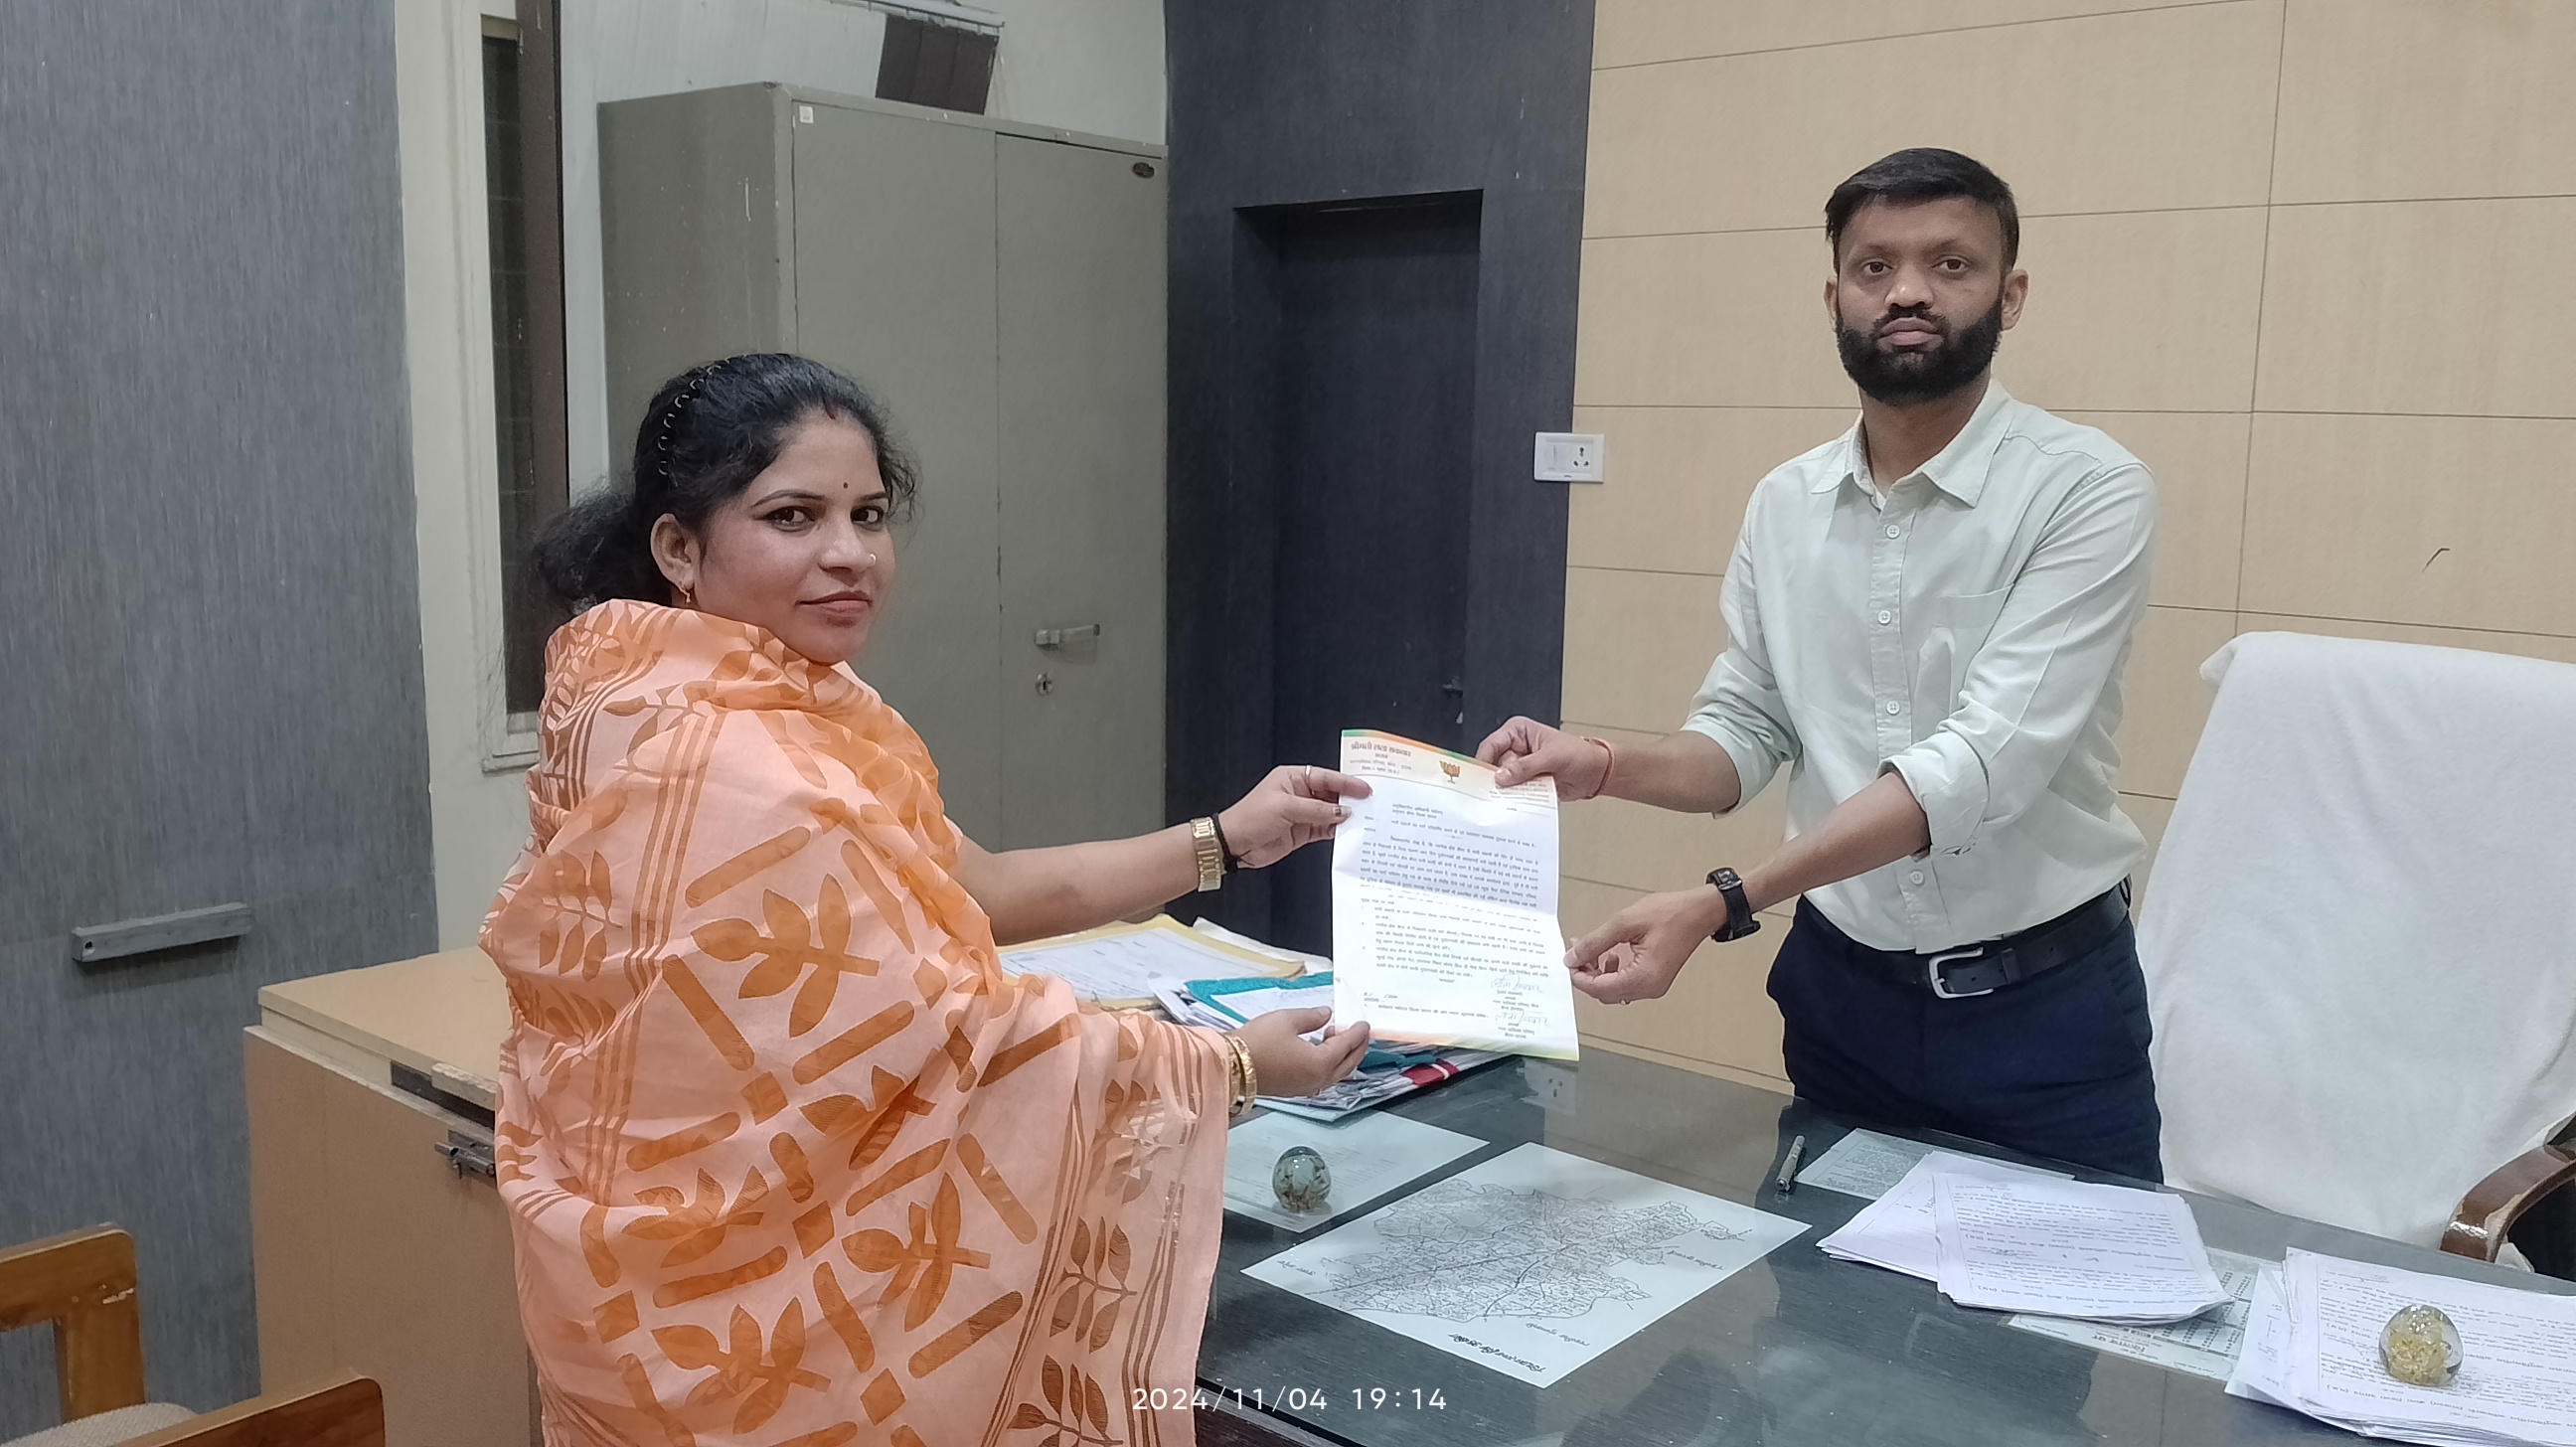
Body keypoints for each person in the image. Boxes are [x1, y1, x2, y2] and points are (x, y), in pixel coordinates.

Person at [485, 353, 1371, 1446]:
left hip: (640, 1303)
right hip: (750, 1335)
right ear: (679, 547)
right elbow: (961, 1049)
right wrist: (1231, 1067)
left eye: (867, 513)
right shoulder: (737, 763)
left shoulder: (653, 689)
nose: (849, 553)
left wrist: (1226, 838)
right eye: (793, 516)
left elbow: (976, 888)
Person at [1482, 149, 2164, 1180]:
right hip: (1845, 1006)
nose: (1909, 292)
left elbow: (1975, 766)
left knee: (2066, 1288)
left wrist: (1725, 899)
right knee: (1820, 1284)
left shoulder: (2086, 489)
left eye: (1951, 264)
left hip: (2046, 1016)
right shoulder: (1784, 504)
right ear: (1834, 294)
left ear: (2011, 294)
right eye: (1874, 266)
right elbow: (1747, 730)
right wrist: (1602, 764)